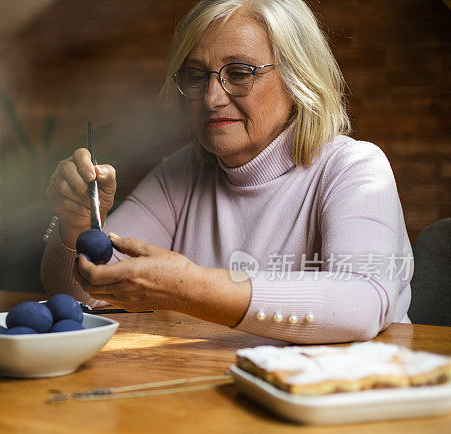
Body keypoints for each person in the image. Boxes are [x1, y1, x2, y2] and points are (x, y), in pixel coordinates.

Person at [40, 0, 412, 344]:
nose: (212, 98)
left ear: (299, 78)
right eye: (196, 76)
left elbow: (364, 302)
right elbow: (88, 294)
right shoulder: (180, 172)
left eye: (239, 73)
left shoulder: (354, 168)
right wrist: (77, 224)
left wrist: (192, 289)